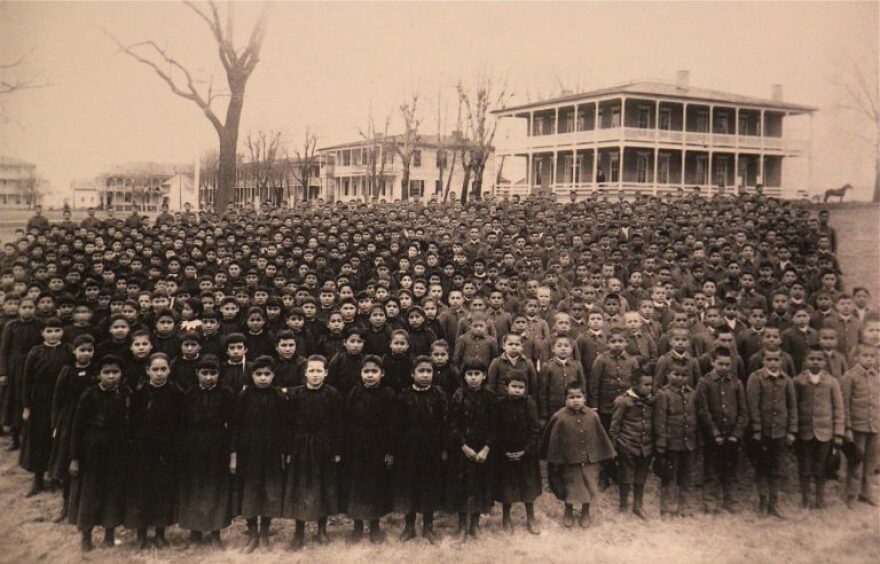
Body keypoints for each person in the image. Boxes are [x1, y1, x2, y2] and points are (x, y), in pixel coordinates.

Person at [67, 355, 129, 552]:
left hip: (117, 448)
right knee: (90, 491)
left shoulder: (125, 394)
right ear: (98, 375)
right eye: (106, 373)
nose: (111, 376)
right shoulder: (89, 395)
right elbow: (77, 427)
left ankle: (109, 533)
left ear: (121, 374)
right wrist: (74, 457)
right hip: (92, 448)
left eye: (115, 372)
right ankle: (86, 535)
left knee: (113, 490)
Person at [124, 353, 183, 550]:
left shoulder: (176, 393)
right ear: (147, 370)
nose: (159, 373)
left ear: (169, 370)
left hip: (166, 451)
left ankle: (159, 533)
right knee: (141, 491)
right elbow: (132, 423)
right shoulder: (139, 393)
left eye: (163, 369)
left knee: (162, 491)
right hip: (143, 451)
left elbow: (180, 423)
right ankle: (141, 534)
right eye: (155, 369)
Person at [284, 355, 342, 550]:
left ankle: (321, 529)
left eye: (319, 371)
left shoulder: (332, 394)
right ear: (305, 373)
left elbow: (337, 424)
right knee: (300, 487)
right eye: (312, 371)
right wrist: (289, 449)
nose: (315, 375)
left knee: (323, 486)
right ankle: (298, 531)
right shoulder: (295, 394)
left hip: (324, 445)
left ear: (326, 373)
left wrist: (336, 451)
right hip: (301, 445)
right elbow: (289, 423)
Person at [540, 382, 616, 528]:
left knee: (588, 485)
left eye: (579, 397)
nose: (575, 400)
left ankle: (585, 512)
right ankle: (568, 511)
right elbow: (553, 441)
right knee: (570, 486)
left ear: (585, 398)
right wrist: (557, 460)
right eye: (571, 397)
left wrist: (602, 456)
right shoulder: (559, 417)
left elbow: (600, 437)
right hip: (569, 460)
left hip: (589, 460)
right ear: (565, 400)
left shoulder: (592, 416)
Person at [177, 355, 235, 548]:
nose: (209, 377)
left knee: (215, 488)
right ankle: (194, 534)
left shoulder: (226, 393)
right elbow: (182, 423)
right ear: (197, 373)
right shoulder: (189, 393)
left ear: (219, 374)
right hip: (192, 445)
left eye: (213, 373)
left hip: (217, 445)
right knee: (194, 487)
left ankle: (215, 533)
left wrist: (232, 453)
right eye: (204, 373)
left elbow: (233, 425)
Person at [232, 356, 287, 553]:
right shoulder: (244, 396)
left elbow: (285, 427)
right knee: (250, 491)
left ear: (273, 375)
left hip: (271, 452)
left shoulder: (279, 397)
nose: (263, 378)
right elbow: (235, 427)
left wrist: (284, 452)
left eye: (267, 374)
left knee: (269, 492)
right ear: (252, 375)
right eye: (258, 374)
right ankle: (252, 533)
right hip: (249, 452)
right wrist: (234, 453)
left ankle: (264, 533)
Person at [342, 355, 396, 543]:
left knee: (376, 485)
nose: (370, 375)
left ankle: (374, 527)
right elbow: (347, 421)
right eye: (366, 371)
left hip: (378, 447)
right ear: (361, 373)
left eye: (374, 372)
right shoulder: (355, 393)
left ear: (382, 374)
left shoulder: (388, 394)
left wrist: (389, 451)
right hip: (357, 447)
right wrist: (346, 448)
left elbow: (392, 424)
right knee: (357, 486)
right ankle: (357, 527)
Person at [393, 356, 447, 543]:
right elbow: (397, 425)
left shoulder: (438, 394)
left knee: (429, 487)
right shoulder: (405, 395)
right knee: (410, 486)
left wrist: (443, 448)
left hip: (431, 448)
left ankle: (428, 527)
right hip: (409, 449)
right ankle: (409, 526)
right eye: (421, 371)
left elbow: (444, 422)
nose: (425, 375)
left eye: (428, 371)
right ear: (412, 374)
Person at [20, 317, 71, 496]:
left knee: (57, 437)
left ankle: (57, 475)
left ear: (62, 332)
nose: (53, 335)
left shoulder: (68, 351)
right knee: (38, 437)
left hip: (61, 400)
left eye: (57, 331)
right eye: (49, 331)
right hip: (40, 400)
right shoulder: (35, 352)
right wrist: (26, 406)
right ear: (42, 333)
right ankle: (38, 478)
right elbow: (26, 380)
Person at [49, 334, 97, 523]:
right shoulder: (67, 371)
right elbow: (57, 400)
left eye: (89, 350)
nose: (86, 354)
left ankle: (84, 505)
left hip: (90, 422)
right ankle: (66, 503)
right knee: (69, 463)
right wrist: (56, 425)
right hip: (69, 421)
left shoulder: (95, 371)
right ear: (74, 351)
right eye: (82, 350)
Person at [446, 360, 496, 541]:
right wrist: (463, 447)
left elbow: (494, 426)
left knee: (479, 486)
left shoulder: (490, 397)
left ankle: (474, 525)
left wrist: (486, 448)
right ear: (464, 376)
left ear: (484, 376)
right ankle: (461, 526)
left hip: (482, 451)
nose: (473, 378)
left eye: (477, 374)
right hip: (462, 451)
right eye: (470, 374)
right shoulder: (458, 395)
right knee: (462, 487)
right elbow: (452, 424)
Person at [695, 347, 748, 514]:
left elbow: (743, 411)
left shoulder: (736, 383)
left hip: (732, 436)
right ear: (712, 362)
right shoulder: (704, 382)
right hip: (713, 436)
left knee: (730, 470)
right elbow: (702, 410)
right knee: (711, 470)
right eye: (721, 363)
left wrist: (736, 434)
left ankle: (730, 501)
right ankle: (710, 503)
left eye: (727, 364)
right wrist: (714, 432)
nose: (724, 367)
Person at [747, 348, 797, 518]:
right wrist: (757, 429)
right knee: (762, 468)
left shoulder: (787, 380)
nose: (773, 363)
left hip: (780, 432)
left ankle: (774, 503)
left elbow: (792, 407)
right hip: (762, 433)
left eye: (777, 359)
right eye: (770, 359)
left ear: (781, 361)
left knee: (777, 468)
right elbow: (753, 406)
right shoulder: (756, 378)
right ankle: (762, 502)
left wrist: (791, 431)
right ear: (764, 361)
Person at [793, 346, 845, 510]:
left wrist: (838, 432)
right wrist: (794, 430)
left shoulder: (832, 382)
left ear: (824, 362)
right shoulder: (798, 381)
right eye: (811, 359)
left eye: (819, 359)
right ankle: (805, 498)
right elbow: (793, 406)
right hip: (805, 431)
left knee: (821, 467)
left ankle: (820, 499)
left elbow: (838, 408)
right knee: (805, 466)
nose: (815, 362)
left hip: (825, 432)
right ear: (805, 361)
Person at [493, 370, 542, 534]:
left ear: (525, 389)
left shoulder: (529, 403)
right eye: (513, 386)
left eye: (521, 387)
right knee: (508, 487)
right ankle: (506, 518)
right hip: (506, 454)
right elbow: (496, 430)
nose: (517, 390)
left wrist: (526, 450)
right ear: (506, 387)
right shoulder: (499, 404)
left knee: (528, 486)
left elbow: (535, 429)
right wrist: (503, 451)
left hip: (526, 454)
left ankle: (531, 517)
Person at [654, 363, 698, 518]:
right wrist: (661, 443)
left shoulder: (691, 394)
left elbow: (694, 417)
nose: (680, 378)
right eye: (676, 374)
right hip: (671, 443)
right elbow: (660, 420)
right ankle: (667, 508)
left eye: (684, 375)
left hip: (688, 441)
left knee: (686, 476)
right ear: (668, 375)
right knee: (669, 477)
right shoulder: (663, 394)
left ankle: (685, 507)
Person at [0, 297, 44, 451]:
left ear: (35, 309)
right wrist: (3, 372)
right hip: (15, 366)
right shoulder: (11, 326)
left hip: (34, 365)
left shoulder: (39, 324)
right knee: (14, 400)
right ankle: (14, 437)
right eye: (24, 307)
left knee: (30, 398)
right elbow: (4, 350)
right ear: (19, 309)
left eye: (30, 307)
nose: (27, 310)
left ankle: (28, 437)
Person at [610, 370, 654, 519]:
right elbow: (614, 426)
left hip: (646, 445)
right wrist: (614, 448)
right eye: (646, 385)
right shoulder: (623, 401)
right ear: (634, 385)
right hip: (627, 444)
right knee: (626, 476)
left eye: (651, 385)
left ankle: (638, 505)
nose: (649, 388)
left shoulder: (651, 400)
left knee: (641, 475)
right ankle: (623, 505)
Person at [840, 342, 879, 508]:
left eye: (872, 356)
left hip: (875, 425)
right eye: (865, 356)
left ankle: (866, 493)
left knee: (871, 462)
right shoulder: (849, 377)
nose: (869, 359)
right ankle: (851, 495)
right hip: (857, 426)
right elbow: (844, 404)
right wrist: (847, 427)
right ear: (856, 357)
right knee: (856, 461)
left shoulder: (877, 376)